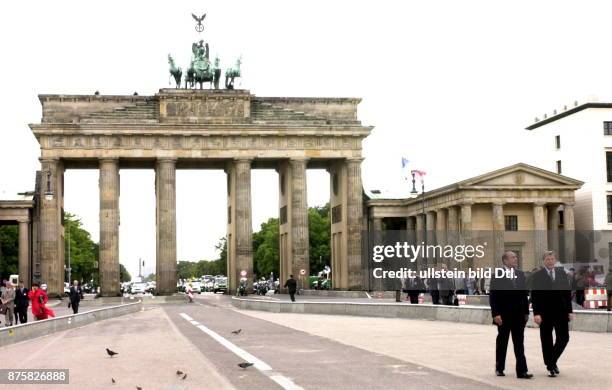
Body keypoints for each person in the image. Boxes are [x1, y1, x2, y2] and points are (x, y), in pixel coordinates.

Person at [489, 251, 532, 379]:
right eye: (513, 257)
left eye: (516, 257)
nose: (515, 259)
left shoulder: (520, 274)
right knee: (502, 342)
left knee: (519, 343)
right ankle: (499, 368)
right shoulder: (497, 275)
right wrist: (495, 314)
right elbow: (493, 296)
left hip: (519, 315)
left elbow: (524, 295)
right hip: (503, 315)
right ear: (505, 261)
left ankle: (522, 371)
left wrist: (526, 311)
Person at [531, 251, 572, 378]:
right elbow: (535, 295)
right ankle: (551, 365)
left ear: (555, 260)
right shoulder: (537, 275)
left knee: (564, 338)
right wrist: (536, 313)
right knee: (546, 339)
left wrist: (570, 311)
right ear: (544, 261)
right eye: (547, 259)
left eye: (552, 259)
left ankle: (551, 362)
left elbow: (567, 293)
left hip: (561, 312)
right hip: (545, 313)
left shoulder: (561, 273)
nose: (550, 261)